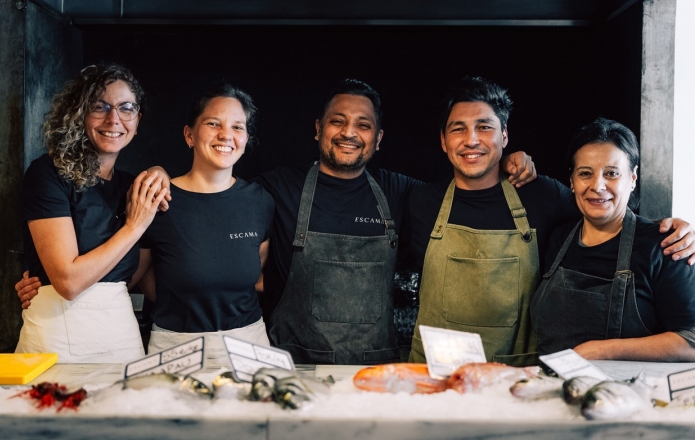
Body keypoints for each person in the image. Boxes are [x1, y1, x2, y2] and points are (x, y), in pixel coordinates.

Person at [407, 76, 695, 366]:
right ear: (443, 140)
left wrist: (671, 229)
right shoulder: (418, 199)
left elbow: (608, 214)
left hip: (516, 374)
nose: (471, 140)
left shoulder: (543, 196)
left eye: (484, 127)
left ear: (504, 136)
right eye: (458, 129)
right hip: (434, 370)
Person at [255, 78, 536, 365]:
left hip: (376, 366)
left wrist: (504, 162)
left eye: (363, 125)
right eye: (337, 121)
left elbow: (468, 184)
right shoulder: (277, 188)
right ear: (318, 129)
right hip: (294, 366)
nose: (348, 132)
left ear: (378, 139)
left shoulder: (401, 191)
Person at [15, 64, 169, 363]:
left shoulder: (133, 187)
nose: (114, 119)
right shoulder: (48, 174)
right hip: (56, 338)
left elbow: (130, 276)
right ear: (79, 114)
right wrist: (134, 226)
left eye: (126, 108)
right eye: (100, 106)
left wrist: (158, 171)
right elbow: (69, 283)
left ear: (137, 120)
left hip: (121, 337)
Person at [530, 118, 695, 361]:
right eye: (585, 173)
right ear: (572, 181)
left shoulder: (664, 246)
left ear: (632, 178)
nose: (597, 185)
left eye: (612, 173)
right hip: (549, 382)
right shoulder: (558, 238)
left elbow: (691, 341)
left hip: (625, 385)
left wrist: (602, 351)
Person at [136, 83, 274, 365]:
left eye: (237, 127)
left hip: (249, 345)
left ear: (246, 138)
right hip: (176, 347)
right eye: (213, 123)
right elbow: (138, 275)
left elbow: (256, 270)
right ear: (189, 135)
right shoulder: (160, 198)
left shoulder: (259, 200)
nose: (226, 135)